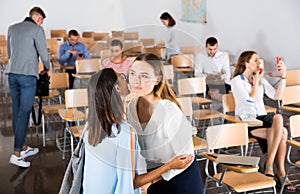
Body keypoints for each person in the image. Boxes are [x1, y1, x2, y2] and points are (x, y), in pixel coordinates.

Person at [82, 68, 194, 194]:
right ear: (117, 88)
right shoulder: (124, 132)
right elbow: (132, 182)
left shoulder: (89, 128)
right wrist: (169, 166)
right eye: (123, 77)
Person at [127, 53, 203, 194]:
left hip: (180, 178)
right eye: (132, 74)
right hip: (153, 176)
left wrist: (152, 180)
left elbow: (186, 158)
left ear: (157, 80)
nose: (136, 81)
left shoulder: (169, 111)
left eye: (144, 76)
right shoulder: (131, 105)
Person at [231, 51, 296, 192]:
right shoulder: (237, 81)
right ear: (246, 63)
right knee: (283, 132)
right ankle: (281, 172)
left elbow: (277, 96)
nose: (259, 64)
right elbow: (250, 100)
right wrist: (256, 83)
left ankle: (269, 165)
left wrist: (283, 76)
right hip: (248, 121)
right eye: (256, 61)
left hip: (263, 117)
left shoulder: (259, 78)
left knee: (278, 117)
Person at [5, 6, 50, 168]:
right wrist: (47, 68)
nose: (40, 24)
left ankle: (23, 146)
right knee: (24, 112)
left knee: (17, 110)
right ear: (38, 18)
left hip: (12, 74)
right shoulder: (37, 30)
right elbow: (44, 54)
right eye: (41, 21)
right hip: (27, 76)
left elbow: (10, 54)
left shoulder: (12, 28)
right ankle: (16, 153)